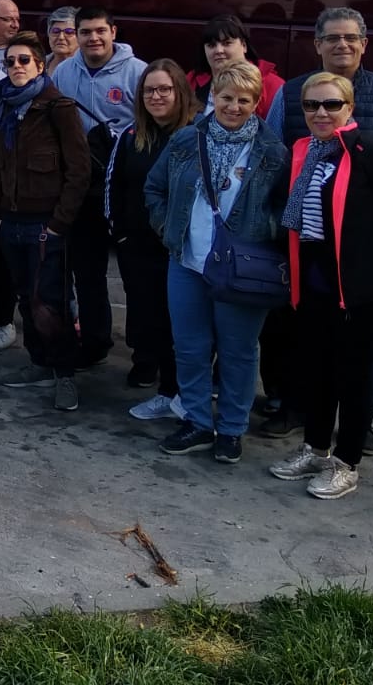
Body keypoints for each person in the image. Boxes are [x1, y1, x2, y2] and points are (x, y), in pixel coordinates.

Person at [259, 4, 373, 441]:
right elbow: (274, 155)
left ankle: (360, 423)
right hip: (306, 242)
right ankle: (296, 408)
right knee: (300, 332)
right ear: (317, 45)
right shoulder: (291, 93)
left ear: (364, 44)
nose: (342, 44)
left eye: (351, 37)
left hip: (363, 249)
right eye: (332, 38)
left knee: (359, 345)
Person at [144, 61, 289, 464]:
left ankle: (231, 429)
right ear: (213, 98)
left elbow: (285, 209)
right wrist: (167, 227)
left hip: (242, 270)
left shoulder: (271, 152)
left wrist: (260, 229)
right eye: (226, 97)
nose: (233, 106)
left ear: (257, 103)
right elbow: (155, 188)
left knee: (238, 351)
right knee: (189, 347)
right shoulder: (187, 141)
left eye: (244, 100)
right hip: (187, 262)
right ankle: (195, 421)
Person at [0, 31, 92, 411]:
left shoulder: (57, 107)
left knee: (53, 302)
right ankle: (38, 362)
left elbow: (79, 171)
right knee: (25, 299)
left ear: (40, 65)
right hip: (10, 222)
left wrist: (59, 223)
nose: (16, 67)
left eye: (24, 60)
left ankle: (64, 374)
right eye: (10, 61)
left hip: (46, 223)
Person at [49, 5, 149, 365]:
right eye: (85, 32)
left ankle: (145, 356)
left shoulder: (138, 73)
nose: (93, 38)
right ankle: (94, 343)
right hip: (83, 189)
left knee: (135, 276)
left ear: (114, 32)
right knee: (87, 273)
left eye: (99, 31)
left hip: (125, 189)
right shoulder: (63, 73)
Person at [108, 59, 198, 419]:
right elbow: (113, 188)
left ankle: (185, 395)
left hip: (182, 251)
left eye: (164, 89)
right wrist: (121, 234)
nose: (157, 96)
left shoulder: (198, 134)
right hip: (139, 248)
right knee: (151, 320)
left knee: (185, 328)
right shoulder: (131, 137)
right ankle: (166, 391)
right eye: (149, 90)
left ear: (180, 92)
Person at [188, 14, 284, 118]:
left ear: (244, 46)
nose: (219, 50)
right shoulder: (191, 82)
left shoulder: (273, 85)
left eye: (227, 43)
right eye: (211, 45)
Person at [43, 7, 78, 75]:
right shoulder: (37, 64)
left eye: (69, 32)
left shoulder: (91, 66)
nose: (61, 37)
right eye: (56, 31)